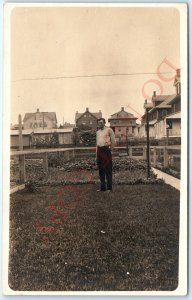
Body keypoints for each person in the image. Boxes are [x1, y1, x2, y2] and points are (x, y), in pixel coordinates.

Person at [96, 118, 116, 192]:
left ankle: (109, 188)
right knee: (101, 170)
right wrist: (96, 154)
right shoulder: (97, 132)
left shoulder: (109, 130)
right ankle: (103, 187)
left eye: (101, 122)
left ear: (104, 123)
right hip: (99, 150)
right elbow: (97, 144)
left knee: (108, 169)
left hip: (106, 150)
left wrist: (110, 149)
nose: (100, 124)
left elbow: (113, 141)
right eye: (99, 123)